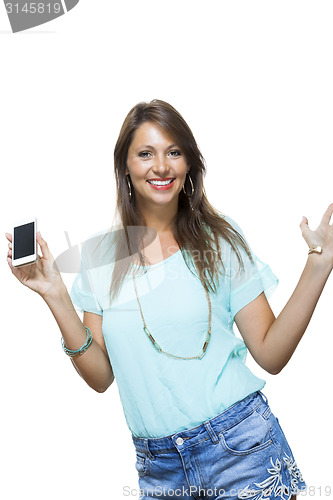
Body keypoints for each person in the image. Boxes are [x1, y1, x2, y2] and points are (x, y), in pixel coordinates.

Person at [5, 99, 333, 500]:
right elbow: (100, 377)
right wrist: (55, 295)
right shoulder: (99, 257)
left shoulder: (220, 239)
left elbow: (270, 352)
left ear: (188, 164)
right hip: (159, 468)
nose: (161, 166)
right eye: (145, 154)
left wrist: (320, 266)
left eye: (173, 152)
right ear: (125, 166)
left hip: (240, 449)